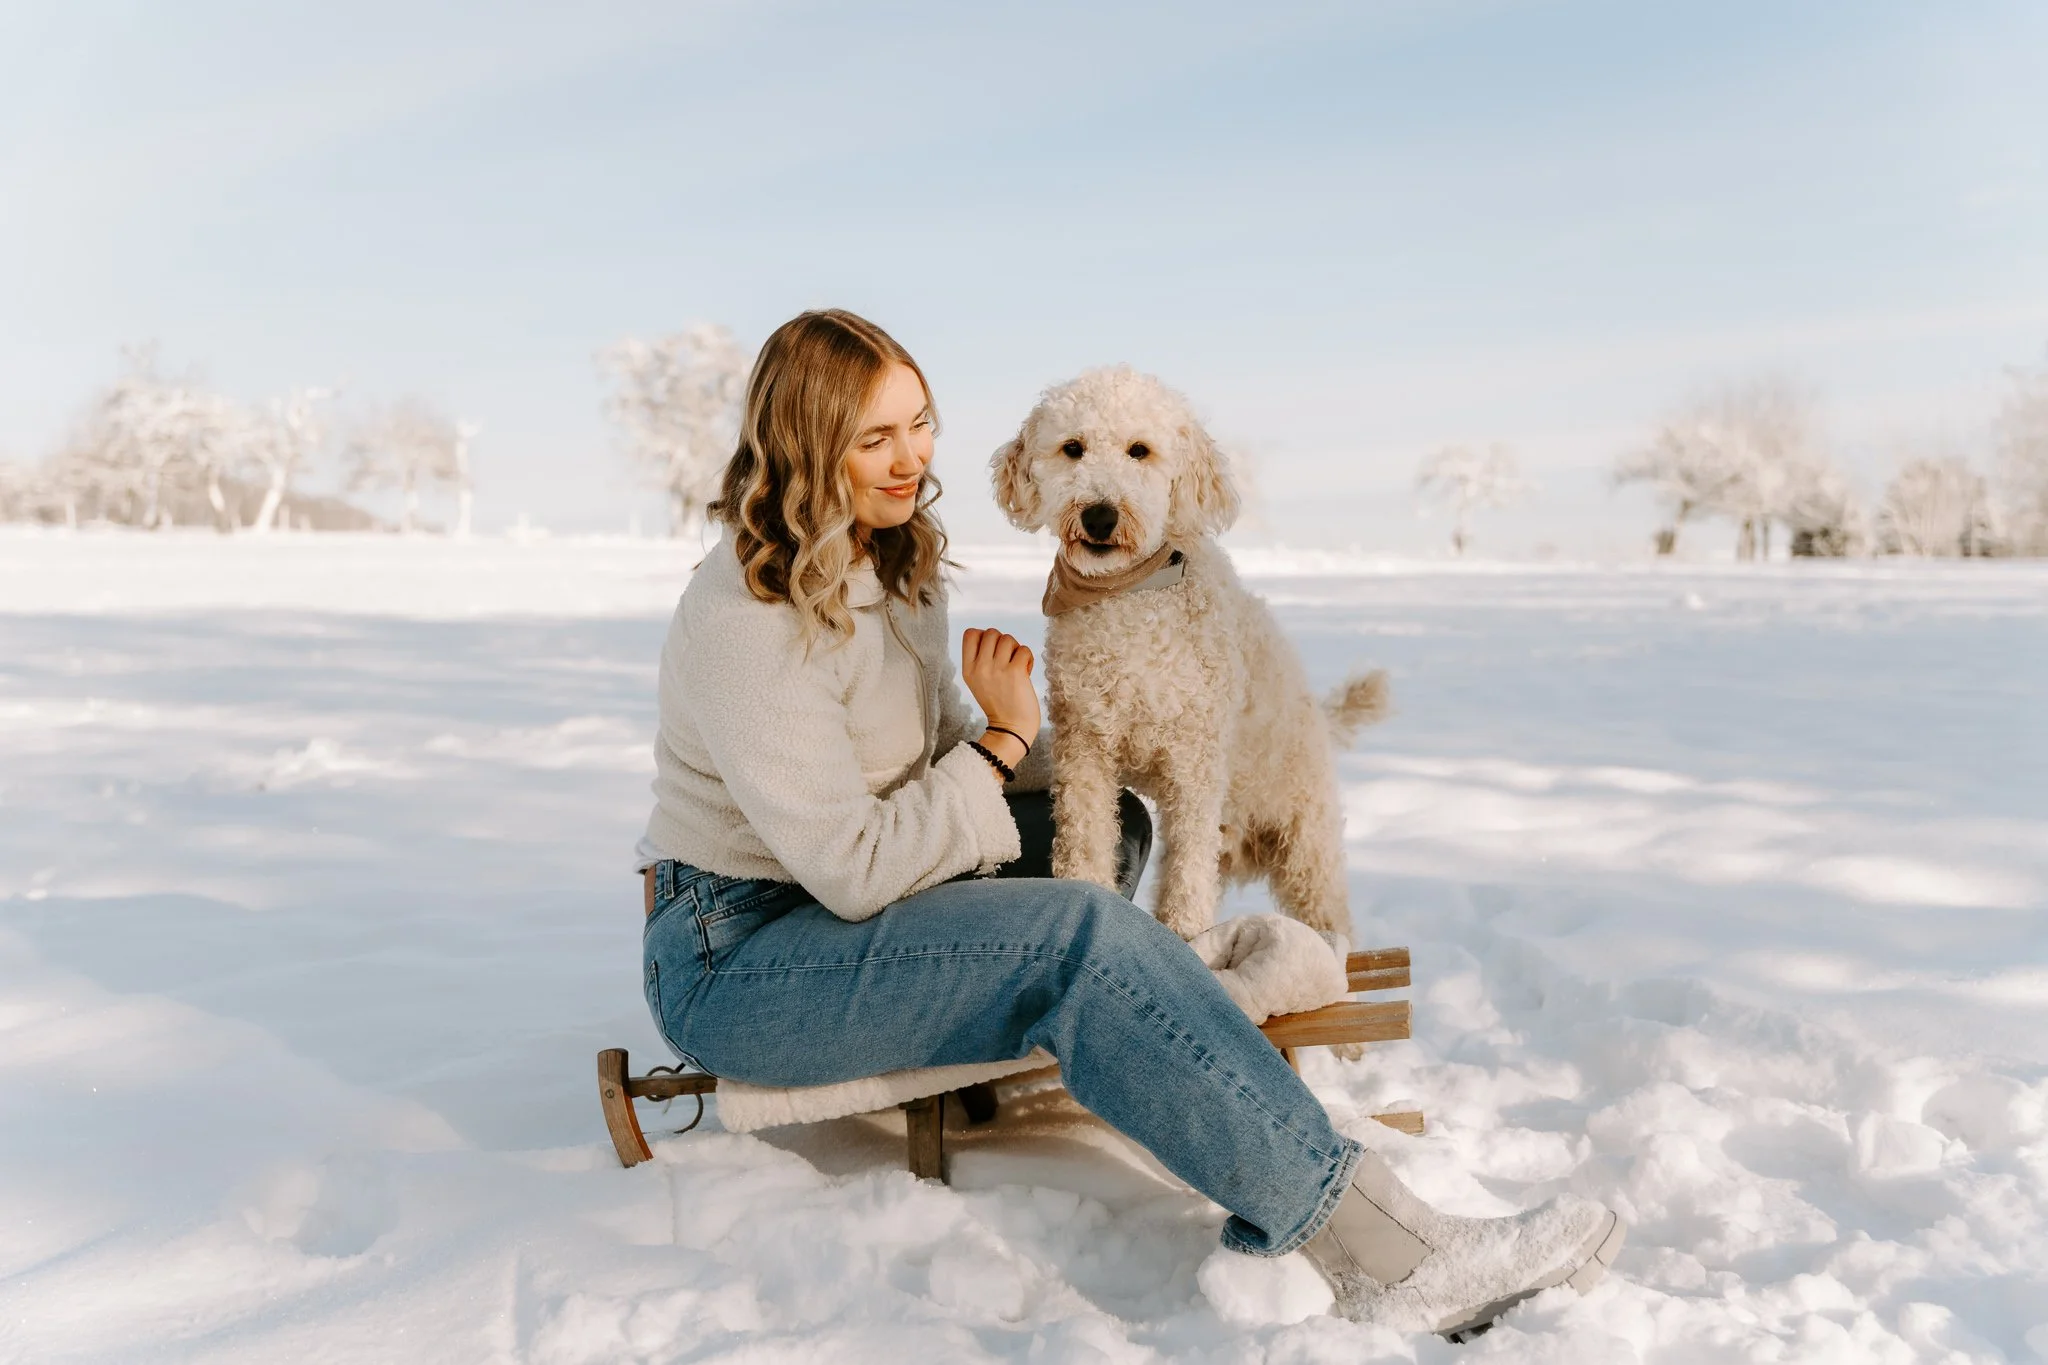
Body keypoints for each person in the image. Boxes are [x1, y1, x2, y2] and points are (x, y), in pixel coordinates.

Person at [636, 308, 1624, 1336]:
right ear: (802, 443)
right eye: (872, 438)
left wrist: (1098, 740)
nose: (909, 458)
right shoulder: (741, 622)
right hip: (744, 953)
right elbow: (847, 863)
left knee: (1106, 832)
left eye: (918, 423)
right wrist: (1001, 746)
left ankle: (1139, 1027)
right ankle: (1380, 1247)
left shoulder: (891, 562)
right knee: (1081, 932)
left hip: (851, 892)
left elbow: (933, 758)